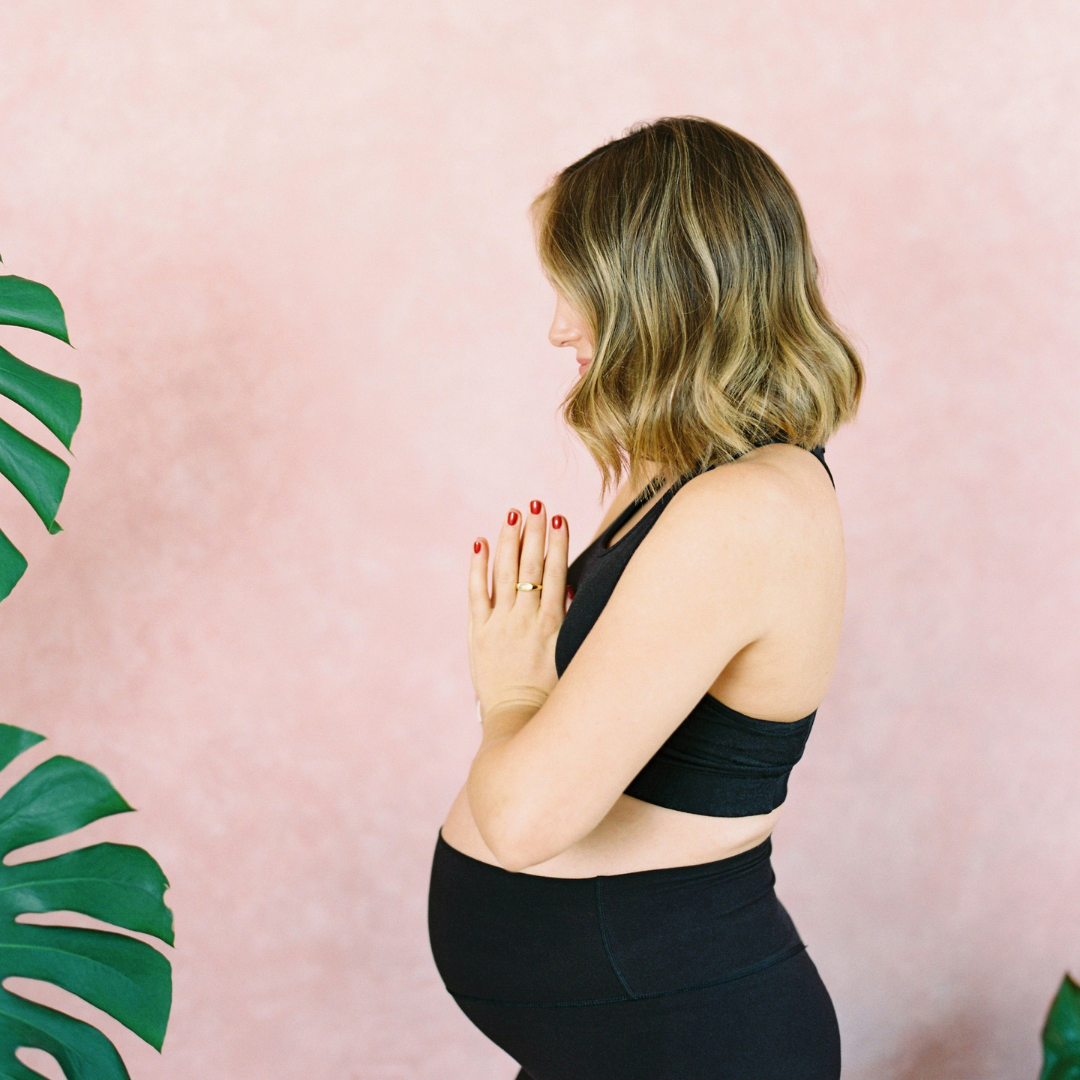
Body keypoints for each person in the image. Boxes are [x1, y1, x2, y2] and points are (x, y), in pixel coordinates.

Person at [428, 116, 863, 1080]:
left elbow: (528, 819)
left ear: (662, 297)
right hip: (637, 1029)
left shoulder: (747, 509)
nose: (557, 328)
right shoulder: (691, 478)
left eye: (577, 294)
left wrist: (510, 691)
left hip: (693, 1034)